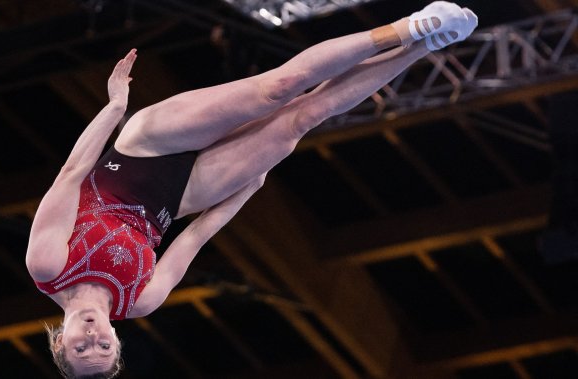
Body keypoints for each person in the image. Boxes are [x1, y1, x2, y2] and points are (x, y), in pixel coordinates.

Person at [25, 2, 478, 378]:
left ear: (60, 343)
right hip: (182, 197)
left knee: (277, 89)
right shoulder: (140, 300)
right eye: (103, 348)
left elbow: (71, 172)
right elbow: (197, 235)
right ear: (116, 341)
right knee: (301, 119)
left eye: (81, 350)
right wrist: (245, 191)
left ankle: (408, 27)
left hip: (143, 146)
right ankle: (426, 45)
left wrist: (115, 109)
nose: (93, 339)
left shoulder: (48, 265)